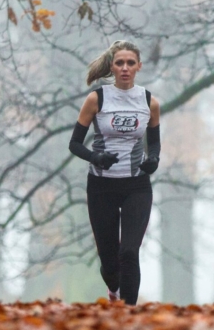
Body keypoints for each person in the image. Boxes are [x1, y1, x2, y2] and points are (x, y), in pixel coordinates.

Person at [68, 40, 161, 306]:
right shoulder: (96, 99)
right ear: (112, 66)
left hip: (136, 187)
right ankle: (114, 289)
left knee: (129, 253)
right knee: (110, 263)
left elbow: (154, 143)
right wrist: (95, 157)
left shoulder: (149, 102)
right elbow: (74, 143)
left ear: (139, 66)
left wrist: (153, 160)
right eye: (120, 63)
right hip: (102, 186)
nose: (125, 68)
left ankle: (128, 314)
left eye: (130, 63)